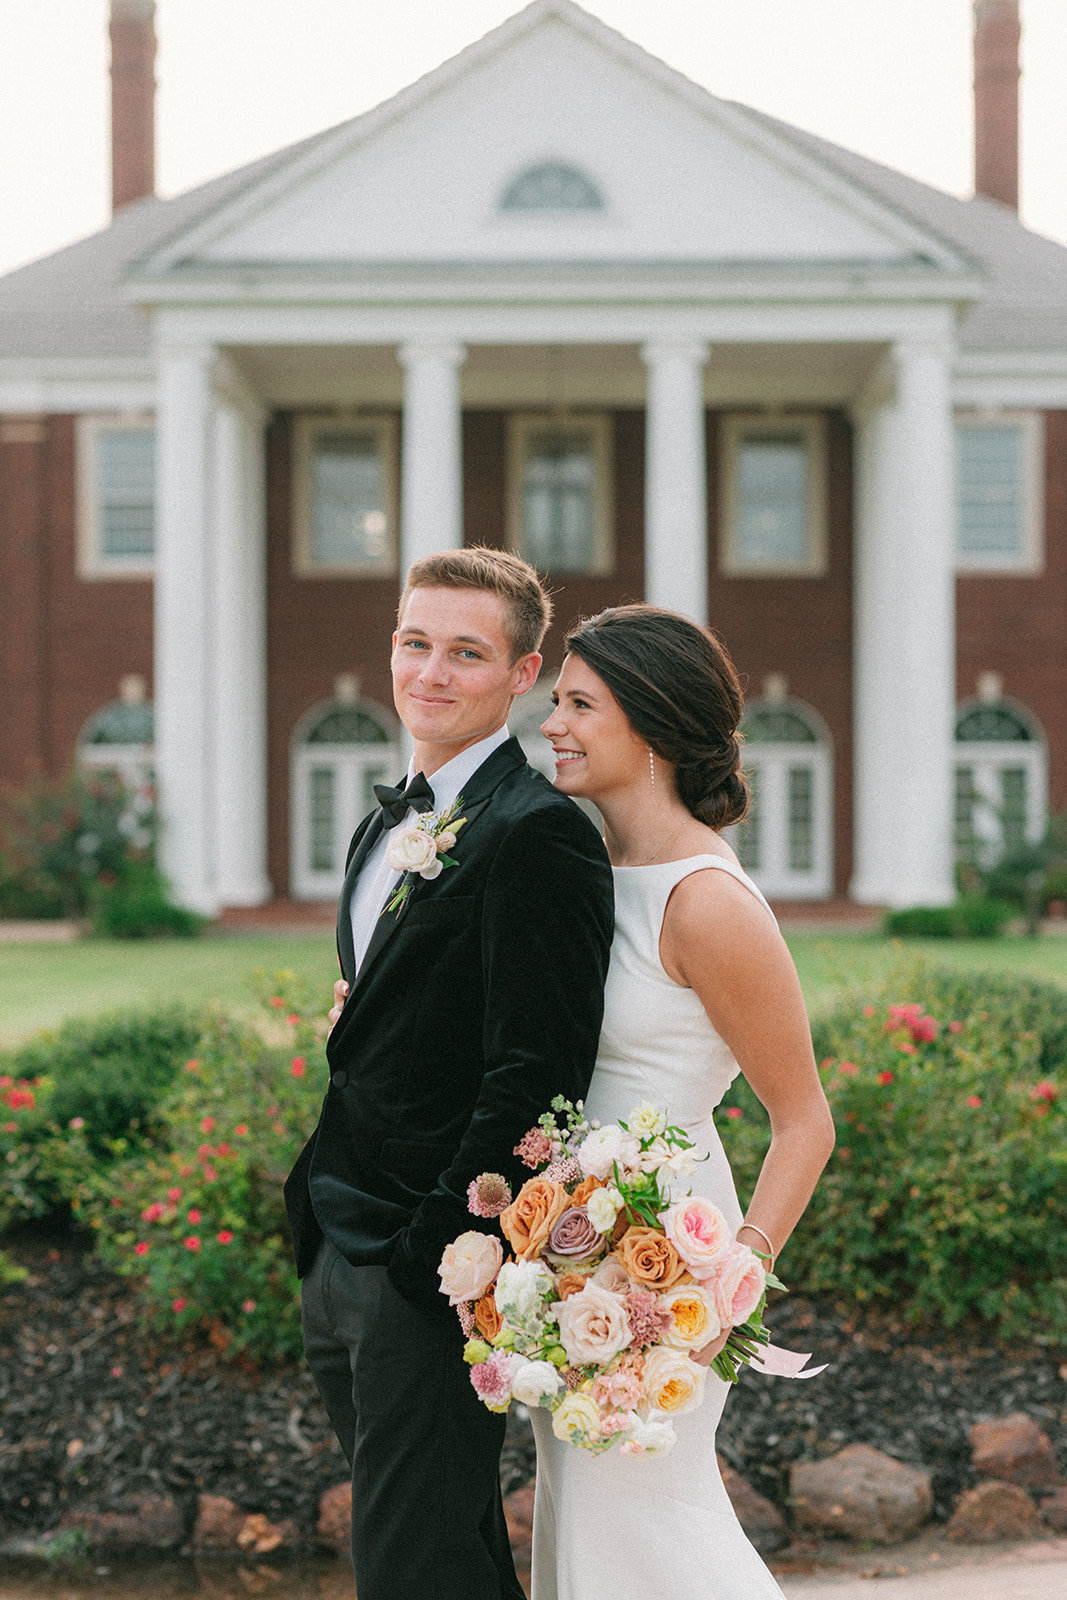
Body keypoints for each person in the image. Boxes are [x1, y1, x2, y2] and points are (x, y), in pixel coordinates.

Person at [284, 548, 614, 1600]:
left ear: (519, 675)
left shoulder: (539, 832)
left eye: (465, 652)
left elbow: (539, 1076)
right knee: (447, 1555)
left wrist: (443, 1249)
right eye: (414, 642)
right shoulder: (386, 819)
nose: (430, 670)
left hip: (424, 1264)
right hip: (337, 1238)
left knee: (408, 1566)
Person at [531, 603, 836, 1600]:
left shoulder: (704, 900)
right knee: (587, 1514)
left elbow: (803, 1118)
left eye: (579, 703)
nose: (553, 724)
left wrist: (728, 1284)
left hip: (669, 1266)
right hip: (568, 1255)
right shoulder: (592, 869)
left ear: (651, 727)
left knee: (653, 1522)